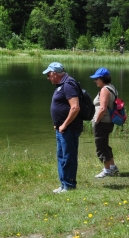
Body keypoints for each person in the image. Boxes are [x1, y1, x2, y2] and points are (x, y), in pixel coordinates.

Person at [43, 62, 83, 193]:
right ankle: (63, 184)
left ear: (55, 73)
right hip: (61, 128)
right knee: (61, 156)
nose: (48, 78)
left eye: (49, 75)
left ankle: (69, 185)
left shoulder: (68, 84)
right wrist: (58, 124)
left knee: (68, 157)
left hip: (69, 128)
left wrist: (64, 124)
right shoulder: (61, 84)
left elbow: (75, 107)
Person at [90, 67, 120, 178]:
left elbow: (102, 108)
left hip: (102, 121)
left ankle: (107, 170)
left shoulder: (104, 90)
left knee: (101, 146)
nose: (95, 81)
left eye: (97, 79)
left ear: (103, 78)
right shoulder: (112, 88)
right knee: (105, 145)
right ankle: (113, 167)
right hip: (108, 121)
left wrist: (97, 121)